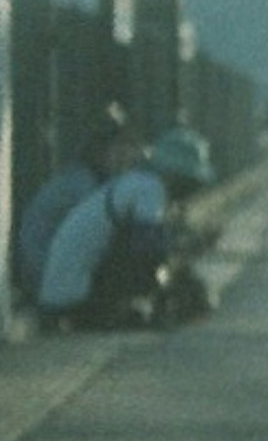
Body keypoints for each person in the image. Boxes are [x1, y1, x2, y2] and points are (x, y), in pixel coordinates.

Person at [37, 126, 216, 331]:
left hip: (62, 291)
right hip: (74, 295)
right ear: (175, 174)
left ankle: (118, 310)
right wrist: (185, 249)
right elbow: (148, 246)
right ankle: (115, 311)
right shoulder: (150, 188)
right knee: (152, 260)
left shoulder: (136, 182)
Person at [11, 113, 132, 307]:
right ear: (96, 150)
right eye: (114, 148)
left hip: (50, 268)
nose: (122, 157)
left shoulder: (89, 181)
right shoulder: (81, 185)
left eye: (124, 148)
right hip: (45, 272)